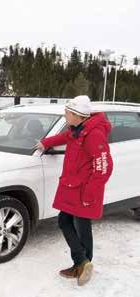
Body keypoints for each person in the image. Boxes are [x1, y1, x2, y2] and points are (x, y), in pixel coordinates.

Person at [35, 95, 113, 286]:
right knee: (70, 223)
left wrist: (89, 194)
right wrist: (46, 142)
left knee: (78, 225)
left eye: (67, 113)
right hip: (73, 187)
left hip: (84, 190)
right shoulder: (79, 129)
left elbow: (104, 167)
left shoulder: (94, 135)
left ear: (78, 116)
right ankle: (82, 262)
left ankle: (82, 262)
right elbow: (66, 136)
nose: (65, 115)